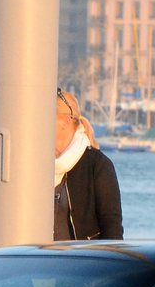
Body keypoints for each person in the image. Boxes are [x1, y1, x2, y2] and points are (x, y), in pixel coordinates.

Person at [53, 89, 123, 241]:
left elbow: (112, 226)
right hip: (42, 261)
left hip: (82, 260)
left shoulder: (97, 165)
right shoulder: (37, 164)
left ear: (65, 122)